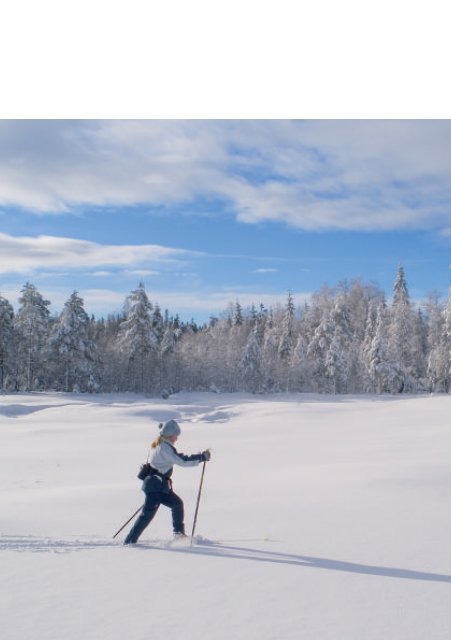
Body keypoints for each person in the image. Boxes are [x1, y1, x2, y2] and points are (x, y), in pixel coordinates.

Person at [124, 419, 211, 544]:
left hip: (160, 487)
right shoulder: (164, 448)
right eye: (176, 435)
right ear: (170, 435)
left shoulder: (160, 445)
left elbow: (178, 457)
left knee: (177, 504)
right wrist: (201, 458)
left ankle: (178, 534)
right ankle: (129, 542)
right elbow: (182, 461)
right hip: (155, 488)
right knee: (146, 516)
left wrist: (199, 456)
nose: (177, 438)